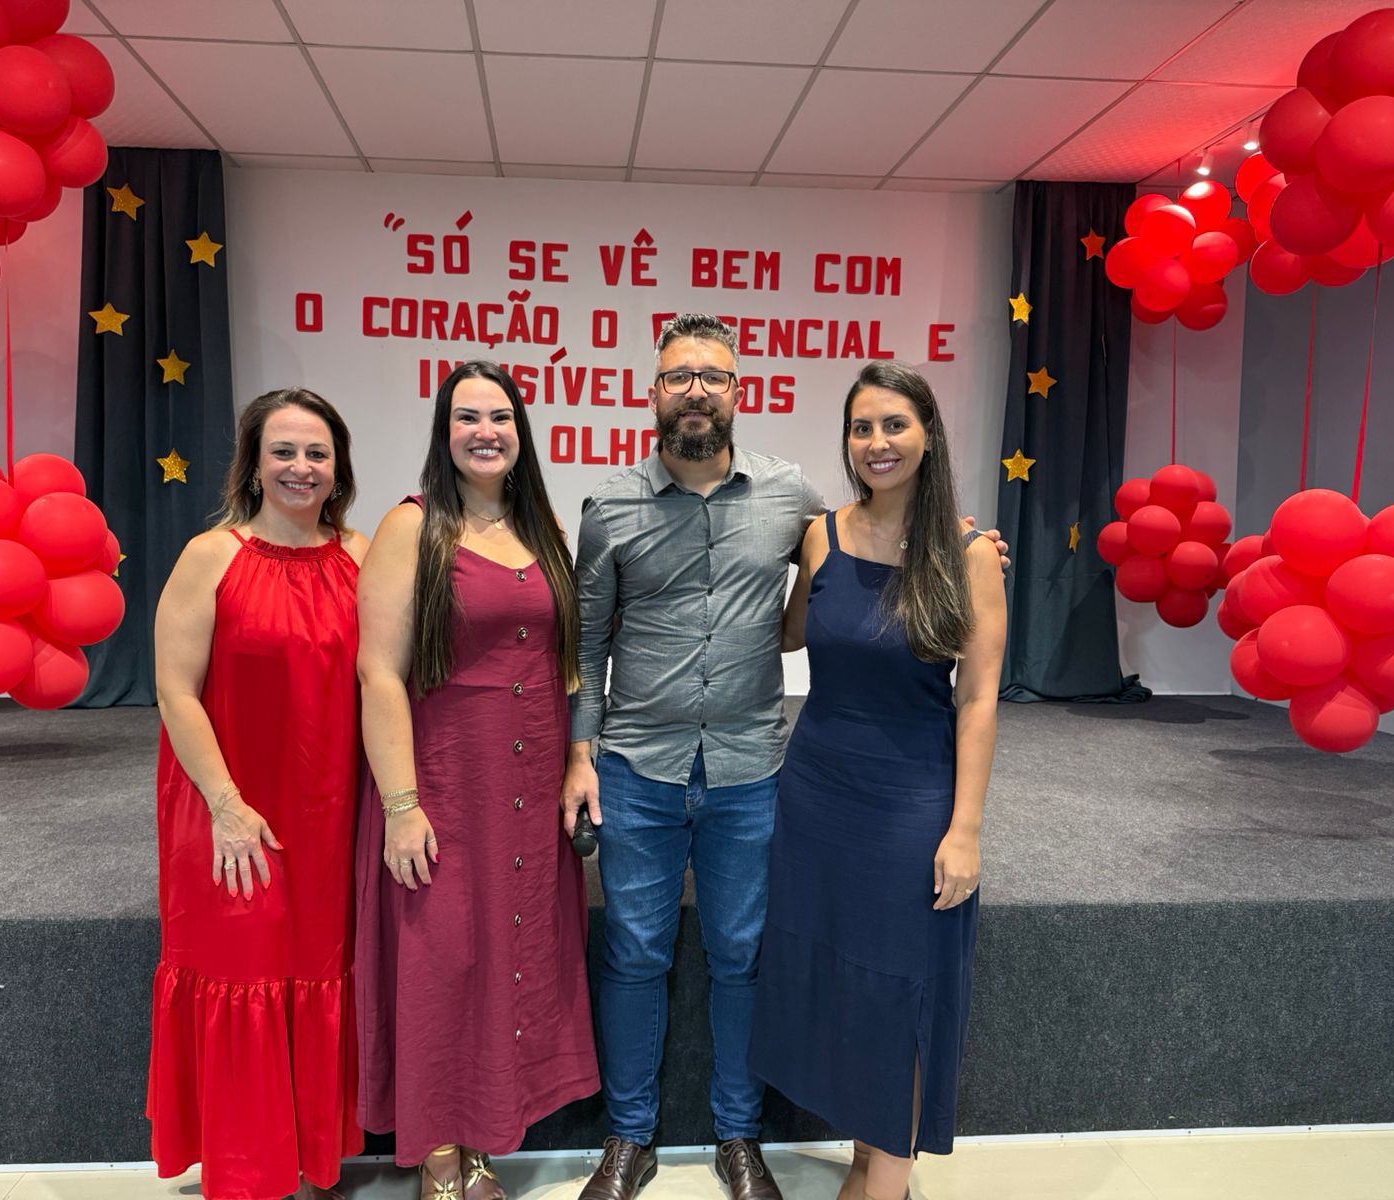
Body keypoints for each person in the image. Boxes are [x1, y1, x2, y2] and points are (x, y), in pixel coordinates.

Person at [563, 314, 1007, 1200]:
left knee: (742, 955)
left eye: (713, 376)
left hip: (750, 768)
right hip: (640, 766)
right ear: (653, 393)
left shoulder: (787, 496)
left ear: (739, 393)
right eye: (679, 376)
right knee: (635, 954)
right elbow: (588, 645)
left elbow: (885, 538)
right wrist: (581, 751)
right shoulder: (608, 507)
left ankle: (739, 1135)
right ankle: (628, 1137)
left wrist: (965, 541)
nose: (696, 390)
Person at [748, 360, 1005, 1200]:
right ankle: (863, 1161)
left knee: (902, 991)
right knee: (840, 984)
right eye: (862, 428)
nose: (877, 442)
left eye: (895, 424)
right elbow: (790, 634)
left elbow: (977, 700)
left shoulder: (969, 555)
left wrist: (964, 829)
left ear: (928, 435)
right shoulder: (820, 536)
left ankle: (884, 1178)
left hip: (911, 801)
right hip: (817, 792)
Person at [354, 360, 600, 1200]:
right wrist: (402, 805)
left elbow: (568, 660)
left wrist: (578, 759)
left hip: (528, 786)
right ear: (444, 431)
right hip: (446, 782)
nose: (485, 432)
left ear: (521, 432)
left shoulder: (542, 527)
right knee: (442, 961)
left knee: (509, 956)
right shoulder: (411, 526)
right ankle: (438, 1157)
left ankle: (486, 1134)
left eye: (500, 417)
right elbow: (379, 673)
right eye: (468, 417)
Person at [149, 388, 369, 1200]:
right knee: (241, 970)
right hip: (230, 807)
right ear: (253, 464)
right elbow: (176, 693)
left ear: (338, 467)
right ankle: (247, 1174)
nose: (300, 468)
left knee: (315, 966)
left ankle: (309, 1159)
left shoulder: (362, 555)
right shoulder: (211, 556)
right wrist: (227, 806)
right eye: (284, 451)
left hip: (330, 810)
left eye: (317, 453)